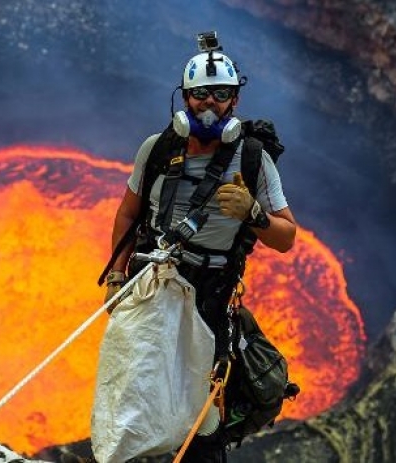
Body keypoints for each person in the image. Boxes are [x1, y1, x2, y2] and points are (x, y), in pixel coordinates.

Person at [97, 34, 297, 463]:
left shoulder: (253, 160)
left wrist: (253, 213)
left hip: (211, 292)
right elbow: (128, 214)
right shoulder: (157, 149)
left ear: (235, 101)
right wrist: (116, 275)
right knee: (135, 382)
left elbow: (286, 237)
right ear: (184, 99)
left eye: (221, 94)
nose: (209, 104)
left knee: (202, 406)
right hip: (152, 283)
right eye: (200, 94)